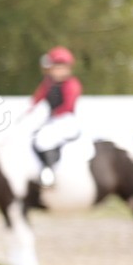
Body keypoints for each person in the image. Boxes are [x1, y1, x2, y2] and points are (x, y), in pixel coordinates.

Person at [27, 45, 82, 187]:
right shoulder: (48, 84)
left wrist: (52, 117)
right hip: (53, 120)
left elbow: (68, 106)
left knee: (44, 139)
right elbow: (37, 98)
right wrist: (29, 111)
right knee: (35, 137)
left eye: (59, 66)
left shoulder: (72, 84)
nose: (56, 70)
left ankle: (49, 171)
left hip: (66, 120)